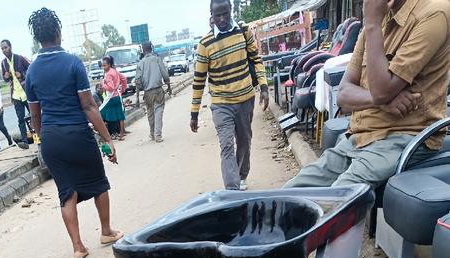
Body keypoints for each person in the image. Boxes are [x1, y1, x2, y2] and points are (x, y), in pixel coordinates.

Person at [285, 0, 450, 189]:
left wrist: (372, 25)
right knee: (291, 193)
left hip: (404, 137)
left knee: (336, 202)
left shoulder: (434, 12)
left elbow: (381, 91)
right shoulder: (380, 18)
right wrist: (380, 101)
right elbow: (344, 95)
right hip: (360, 138)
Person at [25, 8, 123, 258]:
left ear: (38, 38)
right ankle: (106, 231)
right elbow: (89, 106)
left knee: (66, 191)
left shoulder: (32, 71)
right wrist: (107, 139)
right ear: (58, 33)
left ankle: (78, 246)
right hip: (77, 134)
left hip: (52, 138)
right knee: (98, 182)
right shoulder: (72, 62)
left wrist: (42, 138)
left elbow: (35, 115)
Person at [191, 0, 270, 191]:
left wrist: (264, 86)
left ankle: (241, 175)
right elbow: (199, 80)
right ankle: (232, 190)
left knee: (244, 141)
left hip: (245, 100)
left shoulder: (243, 32)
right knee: (227, 146)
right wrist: (194, 113)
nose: (222, 19)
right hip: (221, 104)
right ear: (211, 14)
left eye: (225, 13)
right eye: (217, 15)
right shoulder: (205, 44)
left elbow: (256, 59)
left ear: (230, 10)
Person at [135, 42, 171, 143]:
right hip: (158, 90)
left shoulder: (140, 63)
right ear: (151, 48)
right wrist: (168, 86)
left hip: (147, 93)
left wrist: (137, 98)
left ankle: (152, 133)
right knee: (158, 112)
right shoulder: (157, 59)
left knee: (150, 113)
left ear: (143, 50)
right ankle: (158, 135)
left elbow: (137, 81)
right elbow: (165, 74)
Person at [0, 39, 32, 145]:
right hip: (16, 95)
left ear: (10, 47)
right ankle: (24, 141)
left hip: (26, 92)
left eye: (5, 47)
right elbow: (5, 78)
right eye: (2, 49)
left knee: (33, 116)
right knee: (21, 119)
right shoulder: (4, 63)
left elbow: (31, 69)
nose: (4, 50)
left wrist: (22, 74)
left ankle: (39, 136)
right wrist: (5, 77)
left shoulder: (20, 58)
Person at [99, 55, 127, 140]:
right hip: (117, 96)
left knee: (101, 113)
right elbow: (124, 79)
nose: (103, 67)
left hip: (111, 98)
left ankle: (106, 135)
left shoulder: (108, 74)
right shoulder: (114, 71)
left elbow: (110, 87)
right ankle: (121, 134)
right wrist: (122, 90)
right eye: (102, 65)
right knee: (120, 116)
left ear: (109, 64)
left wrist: (103, 84)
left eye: (105, 65)